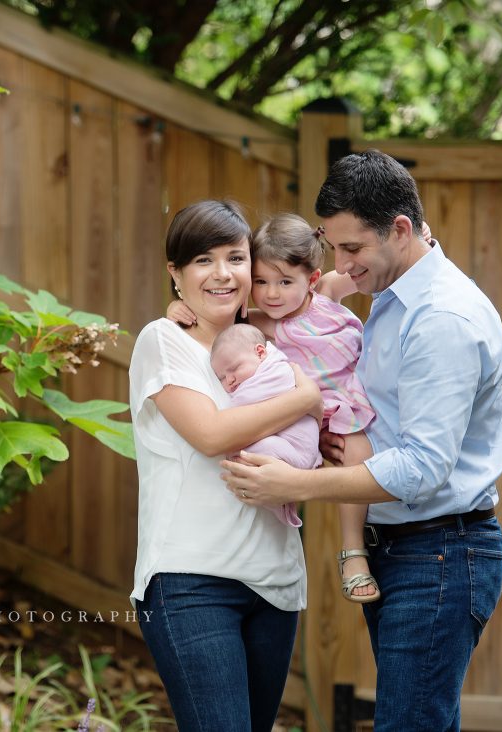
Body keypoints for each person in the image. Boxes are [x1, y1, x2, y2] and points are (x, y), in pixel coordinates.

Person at [220, 150, 502, 732]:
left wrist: (297, 483)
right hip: (408, 549)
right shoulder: (392, 287)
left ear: (401, 230)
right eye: (334, 248)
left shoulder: (440, 320)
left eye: (352, 248)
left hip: (439, 553)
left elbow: (422, 469)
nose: (341, 265)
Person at [128, 199, 322, 732]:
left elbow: (319, 288)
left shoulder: (276, 336)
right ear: (176, 273)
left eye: (235, 258)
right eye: (202, 260)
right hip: (192, 582)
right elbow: (212, 435)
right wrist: (305, 396)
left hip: (275, 585)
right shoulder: (163, 340)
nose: (222, 274)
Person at [170, 213, 388, 603]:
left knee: (357, 451)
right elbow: (211, 324)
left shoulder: (327, 296)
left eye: (285, 282)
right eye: (261, 282)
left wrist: (419, 238)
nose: (272, 294)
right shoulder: (258, 325)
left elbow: (361, 268)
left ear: (312, 279)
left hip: (350, 404)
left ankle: (353, 550)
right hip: (306, 415)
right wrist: (177, 309)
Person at [209, 322, 322, 527]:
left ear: (260, 352)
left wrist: (224, 416)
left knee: (245, 454)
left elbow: (245, 404)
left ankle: (282, 506)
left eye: (234, 369)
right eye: (222, 378)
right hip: (289, 449)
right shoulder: (256, 368)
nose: (230, 381)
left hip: (296, 451)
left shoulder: (276, 371)